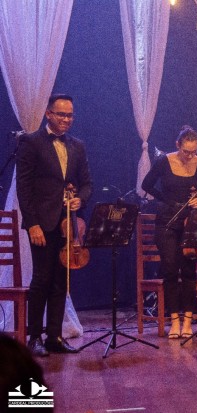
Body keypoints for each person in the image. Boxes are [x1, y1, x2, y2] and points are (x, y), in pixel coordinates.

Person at [16, 94, 93, 357]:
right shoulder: (31, 142)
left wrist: (81, 200)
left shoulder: (78, 146)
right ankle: (34, 337)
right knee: (42, 278)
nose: (66, 119)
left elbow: (86, 183)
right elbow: (24, 187)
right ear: (48, 114)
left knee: (61, 281)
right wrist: (32, 224)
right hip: (42, 222)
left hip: (67, 224)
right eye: (61, 114)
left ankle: (54, 337)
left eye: (70, 115)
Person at [142, 125, 197, 339]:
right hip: (167, 222)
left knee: (189, 269)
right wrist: (166, 201)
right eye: (185, 151)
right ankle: (174, 320)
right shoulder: (164, 161)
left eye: (193, 151)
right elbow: (146, 184)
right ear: (177, 145)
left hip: (191, 223)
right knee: (170, 269)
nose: (189, 156)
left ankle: (188, 320)